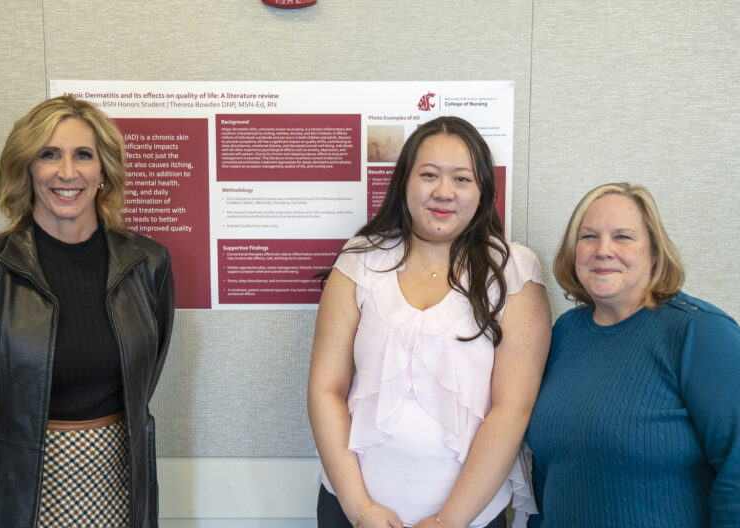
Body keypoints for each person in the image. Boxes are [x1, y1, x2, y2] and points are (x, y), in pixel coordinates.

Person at [308, 116, 551, 528]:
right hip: (350, 508)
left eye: (461, 179)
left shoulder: (514, 271)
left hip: (468, 518)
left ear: (482, 192)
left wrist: (447, 522)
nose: (443, 192)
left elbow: (512, 409)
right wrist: (359, 510)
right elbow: (325, 389)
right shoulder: (360, 258)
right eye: (428, 175)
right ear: (404, 183)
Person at [0, 95, 175, 527]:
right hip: (13, 487)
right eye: (49, 154)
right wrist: (5, 456)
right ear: (27, 168)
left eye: (83, 155)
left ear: (103, 170)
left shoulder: (148, 265)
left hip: (117, 481)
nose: (67, 172)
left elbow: (146, 375)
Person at [526, 182, 740, 527]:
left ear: (654, 251)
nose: (603, 250)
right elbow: (549, 473)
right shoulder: (564, 333)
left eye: (623, 237)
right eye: (588, 236)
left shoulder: (699, 332)